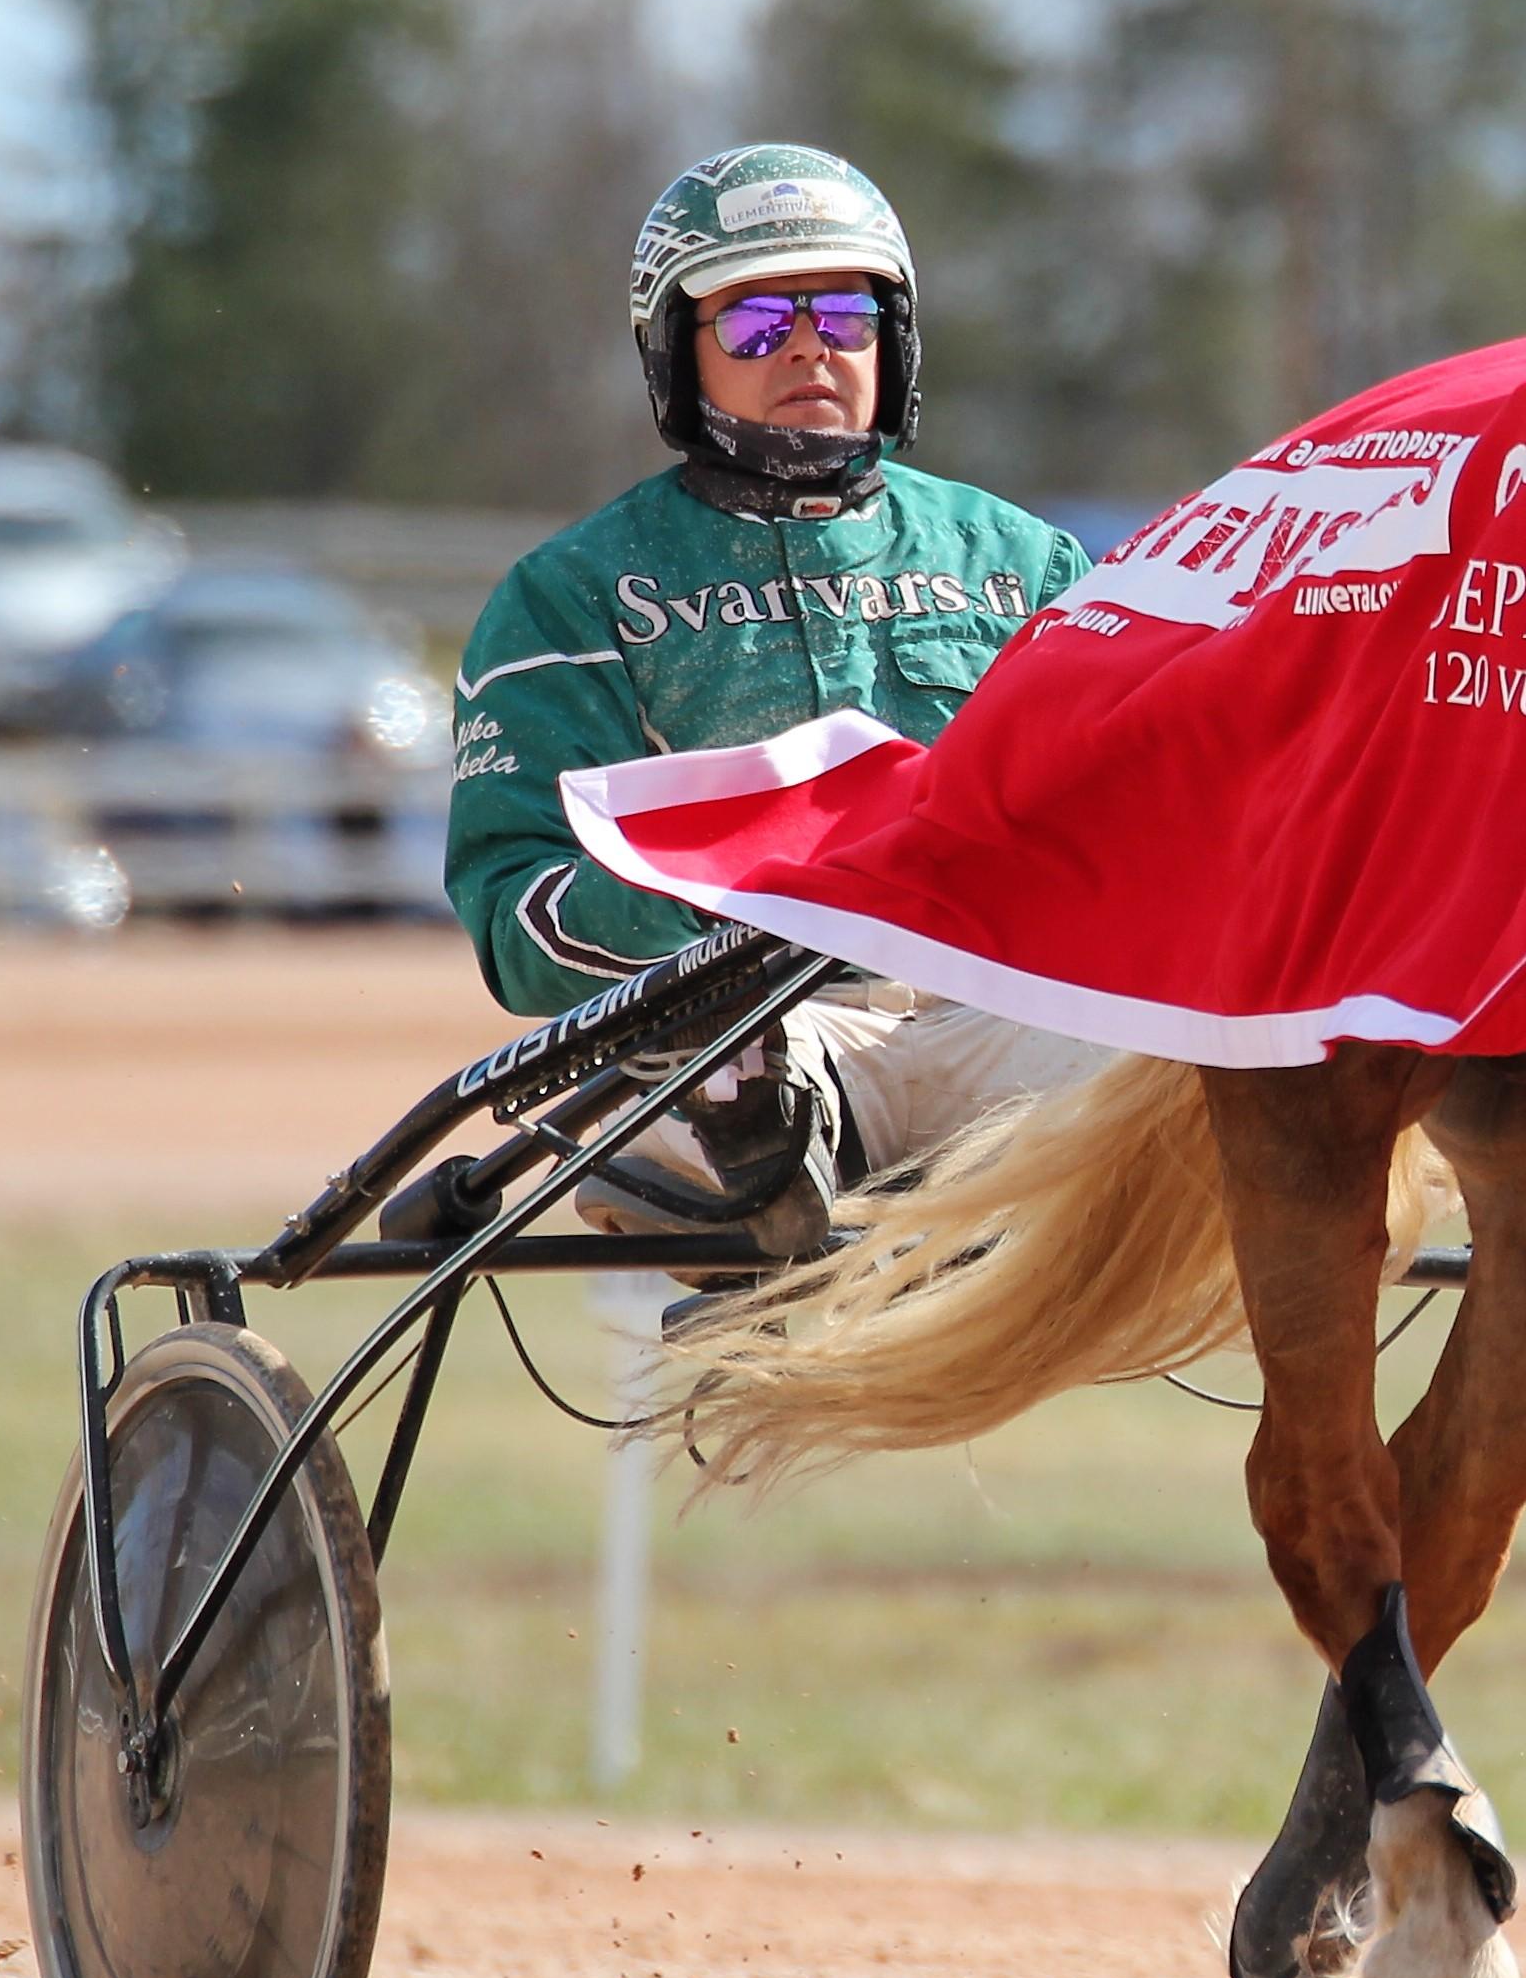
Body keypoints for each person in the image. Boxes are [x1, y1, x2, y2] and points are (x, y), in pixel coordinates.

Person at [443, 143, 1102, 1244]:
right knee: (719, 1073)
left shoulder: (1030, 567)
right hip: (733, 1036)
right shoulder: (571, 597)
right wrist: (731, 915)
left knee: (1202, 1062)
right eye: (755, 324)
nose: (807, 346)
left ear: (893, 345)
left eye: (843, 315)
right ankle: (761, 1167)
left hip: (995, 1030)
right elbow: (518, 921)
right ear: (674, 354)